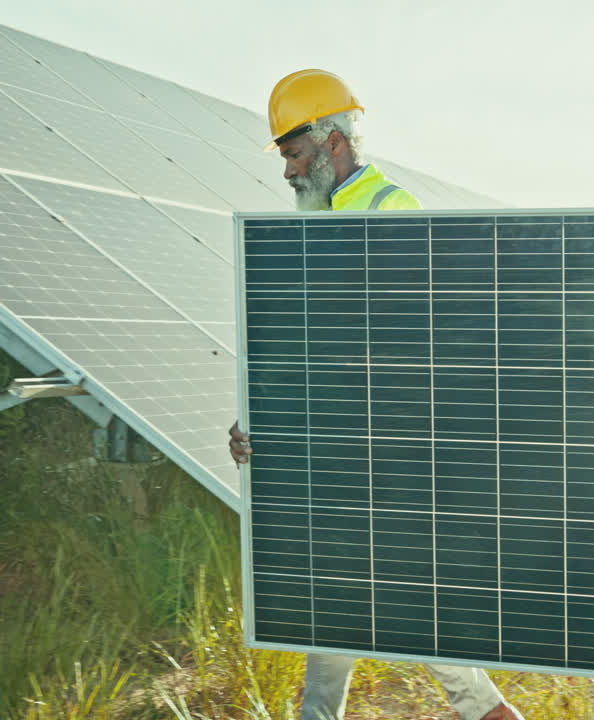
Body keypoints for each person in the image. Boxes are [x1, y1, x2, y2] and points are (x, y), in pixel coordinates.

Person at [229, 69, 523, 720]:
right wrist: (260, 424)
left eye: (295, 155)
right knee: (332, 631)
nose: (287, 174)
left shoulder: (390, 213)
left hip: (392, 474)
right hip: (342, 475)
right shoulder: (311, 229)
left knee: (417, 624)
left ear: (333, 145)